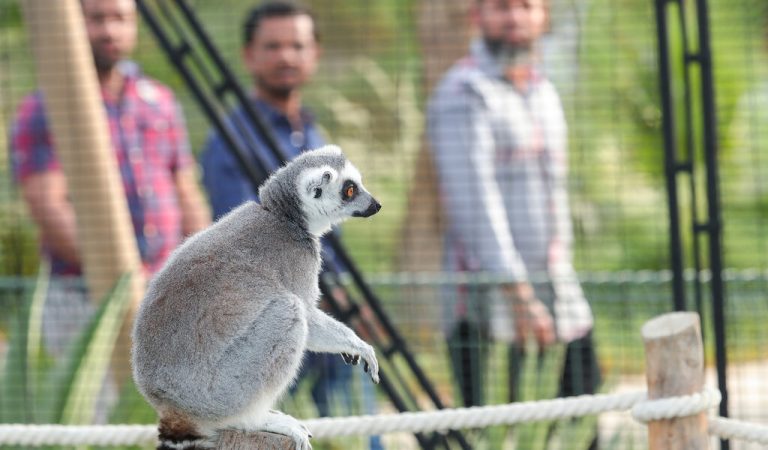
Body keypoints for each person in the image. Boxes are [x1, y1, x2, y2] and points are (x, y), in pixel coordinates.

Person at [199, 2, 383, 449]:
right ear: (248, 56)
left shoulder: (315, 138)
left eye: (297, 45)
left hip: (330, 307)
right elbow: (245, 239)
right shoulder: (231, 139)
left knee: (358, 435)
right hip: (274, 321)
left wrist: (352, 303)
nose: (286, 56)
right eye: (273, 46)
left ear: (315, 53)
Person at [427, 0, 601, 445]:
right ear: (476, 16)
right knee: (504, 437)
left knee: (582, 429)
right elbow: (474, 203)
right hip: (495, 311)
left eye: (525, 5)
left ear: (543, 16)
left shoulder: (544, 90)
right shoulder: (463, 92)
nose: (514, 18)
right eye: (500, 7)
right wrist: (518, 293)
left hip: (559, 297)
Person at [9, 0, 210, 376]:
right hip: (84, 298)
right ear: (73, 25)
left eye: (120, 19)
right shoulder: (45, 108)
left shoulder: (159, 100)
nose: (109, 31)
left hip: (163, 295)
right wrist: (122, 278)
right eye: (96, 18)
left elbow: (186, 192)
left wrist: (200, 266)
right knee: (100, 421)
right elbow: (48, 207)